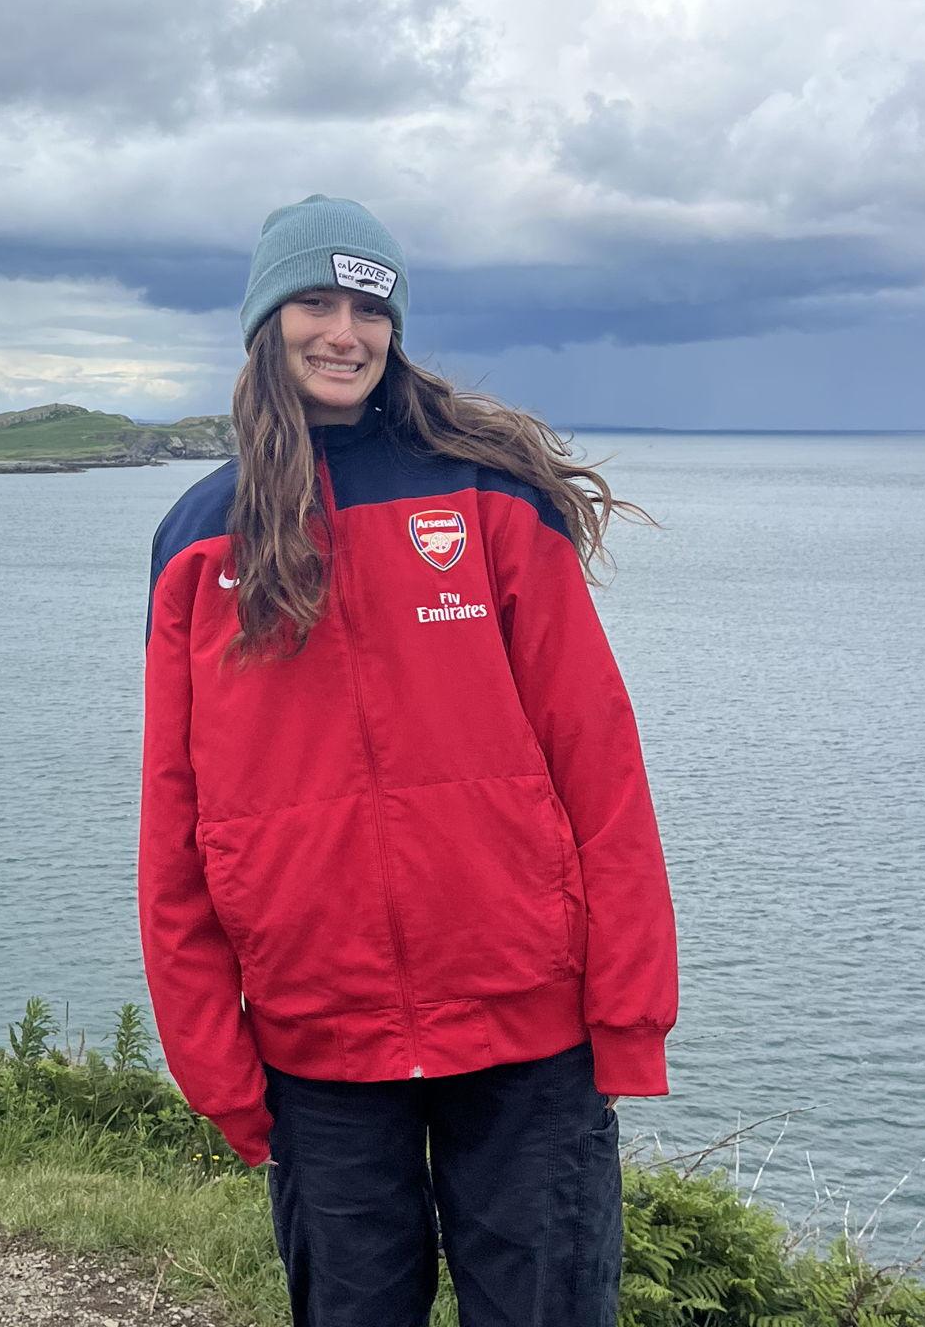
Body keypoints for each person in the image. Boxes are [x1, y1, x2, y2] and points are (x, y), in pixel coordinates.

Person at [139, 194, 678, 1327]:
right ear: (263, 322)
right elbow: (173, 816)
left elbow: (596, 760)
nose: (345, 331)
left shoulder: (488, 497)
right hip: (317, 1040)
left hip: (525, 1030)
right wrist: (213, 1055)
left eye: (368, 308)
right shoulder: (199, 539)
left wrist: (625, 1005)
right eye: (315, 303)